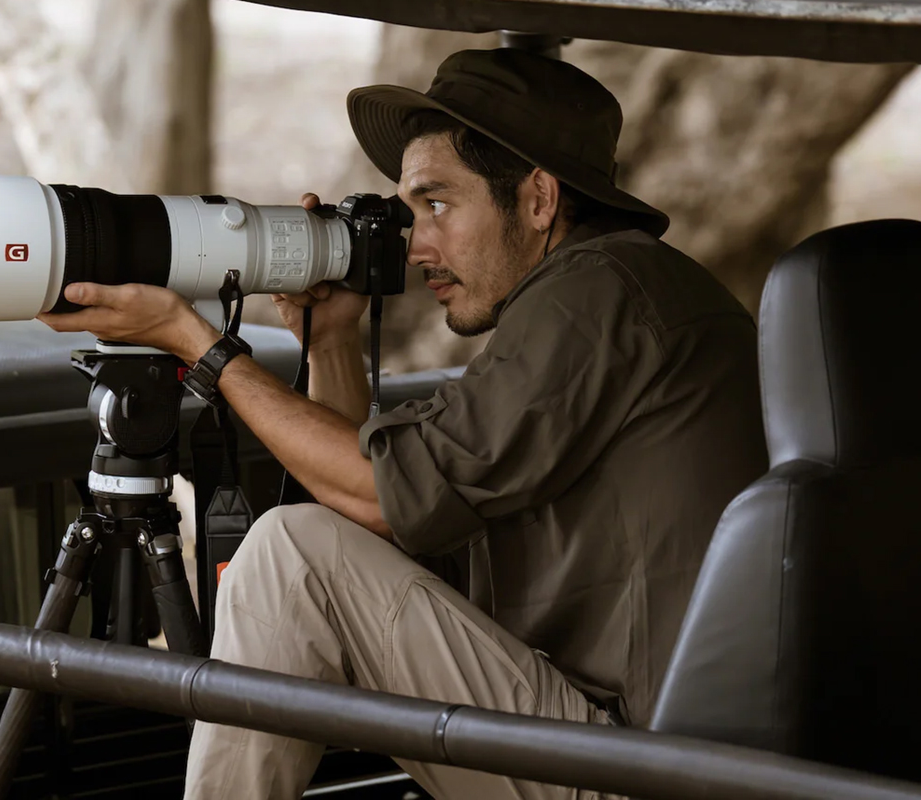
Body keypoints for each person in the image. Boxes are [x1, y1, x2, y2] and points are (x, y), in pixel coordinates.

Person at [38, 47, 768, 800]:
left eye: (438, 205)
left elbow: (383, 501)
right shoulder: (613, 289)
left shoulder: (598, 293)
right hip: (648, 755)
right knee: (304, 548)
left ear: (540, 200)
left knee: (290, 549)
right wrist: (331, 339)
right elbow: (376, 511)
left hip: (645, 770)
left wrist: (197, 343)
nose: (416, 246)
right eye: (409, 213)